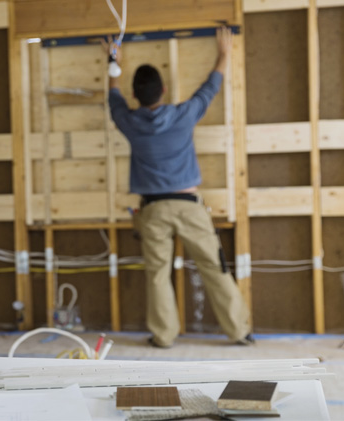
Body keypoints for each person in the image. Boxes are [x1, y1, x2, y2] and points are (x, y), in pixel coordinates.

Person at [105, 28, 253, 348]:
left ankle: (163, 336)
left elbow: (113, 100)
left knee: (158, 274)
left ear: (136, 96)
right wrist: (224, 54)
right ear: (165, 90)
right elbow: (210, 88)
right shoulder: (183, 115)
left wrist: (112, 64)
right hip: (189, 204)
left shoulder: (129, 122)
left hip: (153, 210)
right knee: (214, 267)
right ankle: (238, 331)